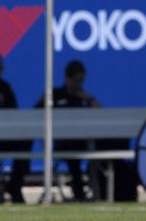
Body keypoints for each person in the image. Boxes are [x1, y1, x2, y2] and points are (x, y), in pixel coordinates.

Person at [36, 60, 101, 201]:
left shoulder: (83, 98)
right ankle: (79, 194)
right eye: (77, 80)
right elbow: (34, 113)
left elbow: (102, 115)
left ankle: (97, 191)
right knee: (73, 159)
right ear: (67, 78)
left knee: (100, 153)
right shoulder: (54, 95)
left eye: (82, 81)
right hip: (62, 143)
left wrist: (90, 99)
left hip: (83, 143)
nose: (79, 85)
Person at [0, 55, 30, 204]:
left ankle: (15, 186)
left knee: (25, 142)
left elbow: (14, 113)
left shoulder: (5, 88)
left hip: (5, 136)